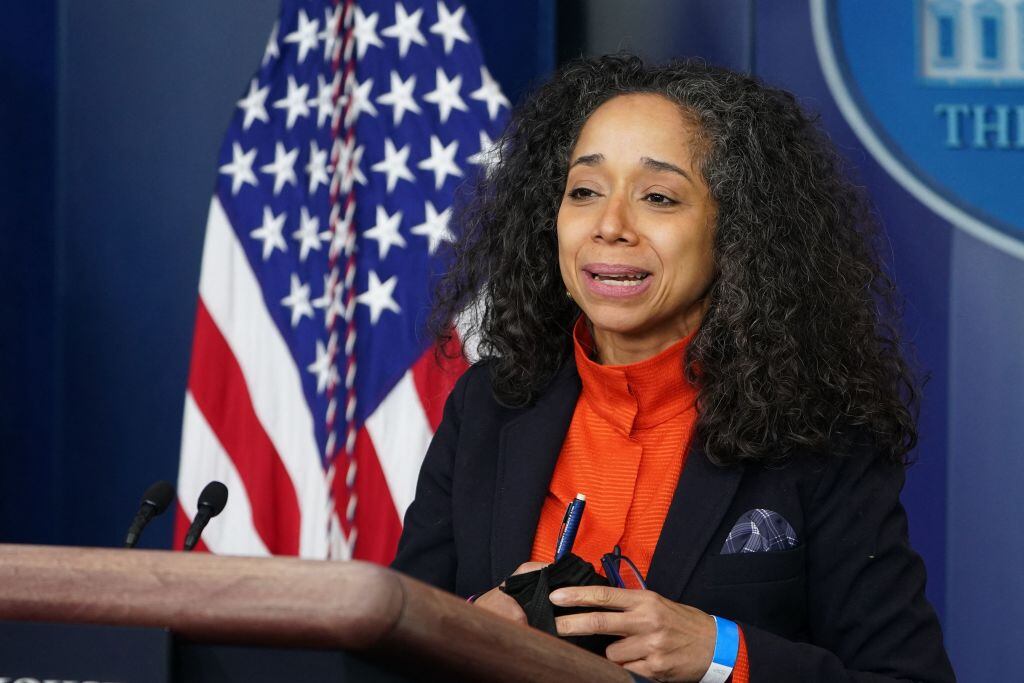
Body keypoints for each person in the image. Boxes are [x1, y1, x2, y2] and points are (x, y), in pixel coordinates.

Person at [391, 54, 955, 682]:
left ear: (736, 232)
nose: (609, 226)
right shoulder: (489, 404)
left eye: (658, 197)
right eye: (584, 191)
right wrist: (473, 624)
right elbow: (393, 647)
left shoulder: (821, 436)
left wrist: (722, 655)